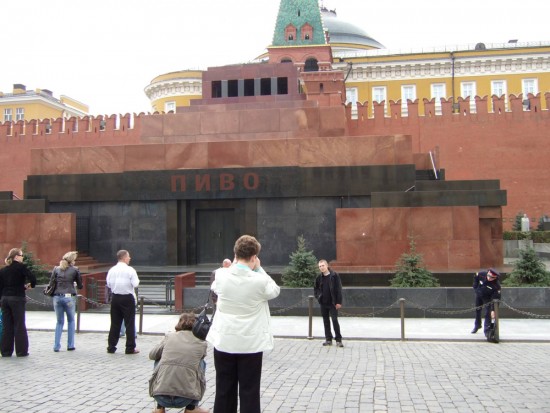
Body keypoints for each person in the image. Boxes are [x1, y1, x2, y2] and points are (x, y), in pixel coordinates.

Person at [206, 235, 280, 413]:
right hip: (251, 344)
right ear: (254, 257)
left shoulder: (221, 275)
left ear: (235, 254)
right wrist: (260, 268)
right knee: (249, 391)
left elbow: (215, 286)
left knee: (224, 389)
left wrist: (233, 264)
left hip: (224, 340)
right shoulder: (260, 281)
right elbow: (275, 290)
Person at [149, 312, 209, 413]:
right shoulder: (201, 343)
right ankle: (192, 408)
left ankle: (159, 408)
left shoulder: (170, 337)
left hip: (161, 396)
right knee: (200, 362)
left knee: (159, 358)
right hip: (186, 398)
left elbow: (152, 355)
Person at [0, 248, 36, 357]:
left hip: (5, 299)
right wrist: (30, 285)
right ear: (16, 257)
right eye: (21, 255)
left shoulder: (3, 270)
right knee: (19, 324)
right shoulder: (21, 267)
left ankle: (6, 351)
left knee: (7, 326)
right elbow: (33, 278)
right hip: (17, 298)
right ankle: (21, 351)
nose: (22, 257)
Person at [106, 250, 140, 354]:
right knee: (129, 323)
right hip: (127, 297)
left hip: (115, 297)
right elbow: (136, 284)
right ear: (124, 257)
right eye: (128, 256)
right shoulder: (130, 270)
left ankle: (111, 347)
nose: (130, 258)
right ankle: (130, 348)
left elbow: (109, 284)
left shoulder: (112, 270)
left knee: (115, 323)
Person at [50, 251, 83, 352]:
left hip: (57, 297)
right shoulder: (75, 270)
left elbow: (51, 283)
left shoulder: (56, 269)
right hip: (69, 297)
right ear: (72, 260)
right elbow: (80, 285)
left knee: (59, 322)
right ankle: (70, 345)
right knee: (71, 321)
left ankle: (56, 346)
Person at [314, 259, 344, 347]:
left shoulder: (334, 275)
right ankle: (328, 339)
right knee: (326, 321)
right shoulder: (319, 277)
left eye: (323, 265)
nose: (321, 268)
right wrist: (318, 296)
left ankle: (338, 340)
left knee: (334, 320)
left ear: (327, 266)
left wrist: (339, 302)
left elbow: (339, 289)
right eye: (320, 266)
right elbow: (316, 289)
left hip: (333, 303)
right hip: (323, 303)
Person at [475, 268, 502, 340]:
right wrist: (476, 288)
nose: (489, 278)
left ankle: (486, 331)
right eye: (489, 276)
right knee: (478, 310)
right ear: (487, 273)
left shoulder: (496, 286)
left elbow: (496, 299)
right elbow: (476, 279)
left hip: (488, 298)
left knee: (488, 313)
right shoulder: (482, 274)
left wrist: (493, 310)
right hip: (479, 294)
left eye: (492, 277)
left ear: (495, 277)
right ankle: (477, 325)